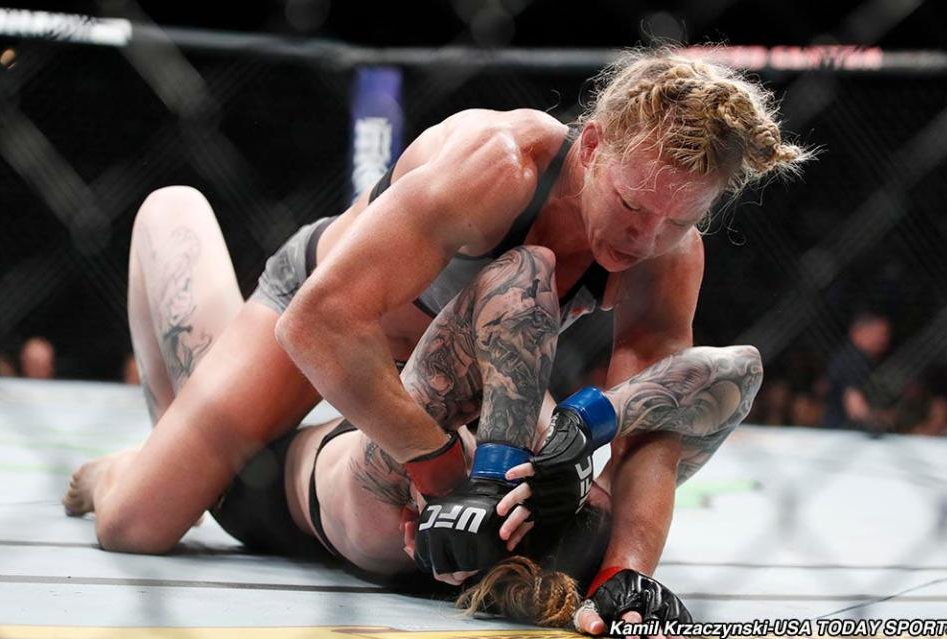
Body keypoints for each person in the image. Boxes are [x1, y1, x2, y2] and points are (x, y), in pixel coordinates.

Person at [63, 47, 806, 633]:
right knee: (136, 523)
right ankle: (170, 268)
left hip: (454, 369)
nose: (645, 236)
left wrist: (626, 571)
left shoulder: (668, 254)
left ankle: (212, 438)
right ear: (592, 148)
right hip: (332, 321)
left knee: (543, 474)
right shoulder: (499, 166)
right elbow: (318, 323)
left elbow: (653, 414)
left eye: (677, 219)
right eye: (632, 204)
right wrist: (439, 464)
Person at [821, 312, 892, 431]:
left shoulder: (848, 357)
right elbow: (856, 409)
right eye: (879, 334)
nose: (884, 340)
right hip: (847, 434)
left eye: (886, 334)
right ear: (859, 332)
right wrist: (881, 420)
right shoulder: (854, 360)